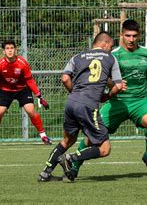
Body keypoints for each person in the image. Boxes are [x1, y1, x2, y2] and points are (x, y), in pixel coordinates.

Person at [71, 19, 147, 178]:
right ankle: (74, 165)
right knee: (93, 135)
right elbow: (102, 77)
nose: (131, 39)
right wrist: (115, 84)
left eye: (134, 36)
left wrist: (141, 91)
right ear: (121, 35)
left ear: (138, 35)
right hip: (117, 102)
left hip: (139, 101)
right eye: (127, 36)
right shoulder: (112, 55)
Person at [38, 31, 123, 182]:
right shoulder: (111, 58)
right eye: (111, 46)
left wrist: (75, 93)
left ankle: (45, 173)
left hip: (71, 103)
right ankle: (70, 158)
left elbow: (65, 78)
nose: (111, 49)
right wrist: (107, 96)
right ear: (105, 44)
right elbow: (118, 85)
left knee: (67, 140)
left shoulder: (77, 57)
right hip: (88, 105)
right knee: (105, 149)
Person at [0, 39, 51, 146]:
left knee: (30, 110)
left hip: (22, 90)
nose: (10, 51)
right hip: (6, 91)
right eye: (7, 48)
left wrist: (39, 96)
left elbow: (30, 80)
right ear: (3, 51)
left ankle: (43, 136)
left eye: (12, 48)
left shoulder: (22, 63)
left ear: (16, 50)